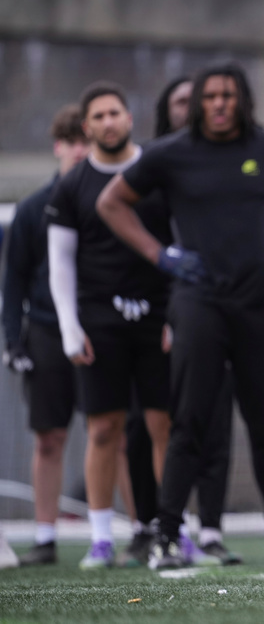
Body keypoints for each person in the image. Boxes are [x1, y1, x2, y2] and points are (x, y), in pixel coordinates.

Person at [96, 62, 264, 569]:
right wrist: (162, 256)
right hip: (199, 303)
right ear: (199, 103)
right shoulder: (170, 154)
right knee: (190, 423)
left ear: (242, 101)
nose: (220, 104)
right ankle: (166, 536)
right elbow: (111, 203)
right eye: (211, 97)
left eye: (229, 96)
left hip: (260, 305)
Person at [46, 82, 174, 569]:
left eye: (114, 113)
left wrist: (178, 317)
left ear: (129, 117)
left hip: (159, 319)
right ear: (87, 126)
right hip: (99, 322)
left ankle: (171, 531)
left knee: (164, 426)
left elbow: (181, 241)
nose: (107, 122)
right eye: (97, 116)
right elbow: (60, 263)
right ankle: (101, 539)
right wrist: (69, 327)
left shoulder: (156, 174)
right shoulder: (71, 185)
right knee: (104, 430)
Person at [119, 75, 241, 567]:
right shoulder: (150, 168)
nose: (198, 108)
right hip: (156, 313)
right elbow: (128, 234)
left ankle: (208, 529)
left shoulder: (236, 160)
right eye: (185, 102)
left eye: (208, 99)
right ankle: (147, 526)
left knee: (214, 420)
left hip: (218, 306)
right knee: (144, 424)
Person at [2, 104, 89, 566]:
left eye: (87, 140)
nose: (81, 149)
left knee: (115, 431)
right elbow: (13, 278)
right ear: (59, 146)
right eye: (72, 140)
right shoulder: (34, 209)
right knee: (48, 438)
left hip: (102, 333)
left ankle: (136, 536)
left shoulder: (110, 203)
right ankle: (44, 536)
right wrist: (13, 340)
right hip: (47, 333)